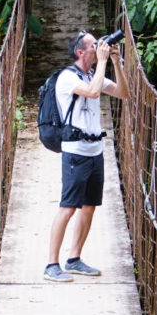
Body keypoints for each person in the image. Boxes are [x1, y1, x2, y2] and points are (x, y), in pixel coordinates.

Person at [43, 29, 129, 282]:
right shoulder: (67, 78)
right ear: (80, 52)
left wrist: (115, 62)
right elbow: (92, 92)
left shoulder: (94, 74)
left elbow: (123, 93)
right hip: (75, 152)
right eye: (94, 46)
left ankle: (74, 259)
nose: (99, 47)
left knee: (89, 207)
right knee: (68, 208)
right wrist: (103, 62)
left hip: (95, 151)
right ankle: (51, 264)